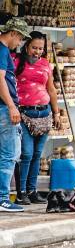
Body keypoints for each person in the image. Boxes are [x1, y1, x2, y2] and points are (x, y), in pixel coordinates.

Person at [13, 31, 61, 205]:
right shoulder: (16, 62)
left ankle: (32, 191)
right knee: (26, 154)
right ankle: (21, 192)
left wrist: (56, 113)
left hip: (44, 113)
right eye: (34, 47)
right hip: (24, 114)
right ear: (26, 46)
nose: (37, 51)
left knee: (37, 154)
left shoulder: (46, 64)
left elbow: (51, 90)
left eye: (40, 48)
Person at [0, 18, 30, 213]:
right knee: (9, 155)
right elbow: (0, 79)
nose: (19, 43)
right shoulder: (2, 50)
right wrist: (11, 106)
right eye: (19, 39)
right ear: (12, 33)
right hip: (3, 108)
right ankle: (2, 198)